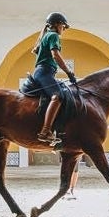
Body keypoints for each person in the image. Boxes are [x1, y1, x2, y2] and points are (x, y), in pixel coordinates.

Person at [32, 11, 78, 145]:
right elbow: (55, 55)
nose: (63, 29)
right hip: (44, 72)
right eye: (63, 26)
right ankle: (45, 131)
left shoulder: (47, 35)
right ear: (57, 24)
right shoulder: (53, 35)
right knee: (58, 96)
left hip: (45, 72)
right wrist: (69, 72)